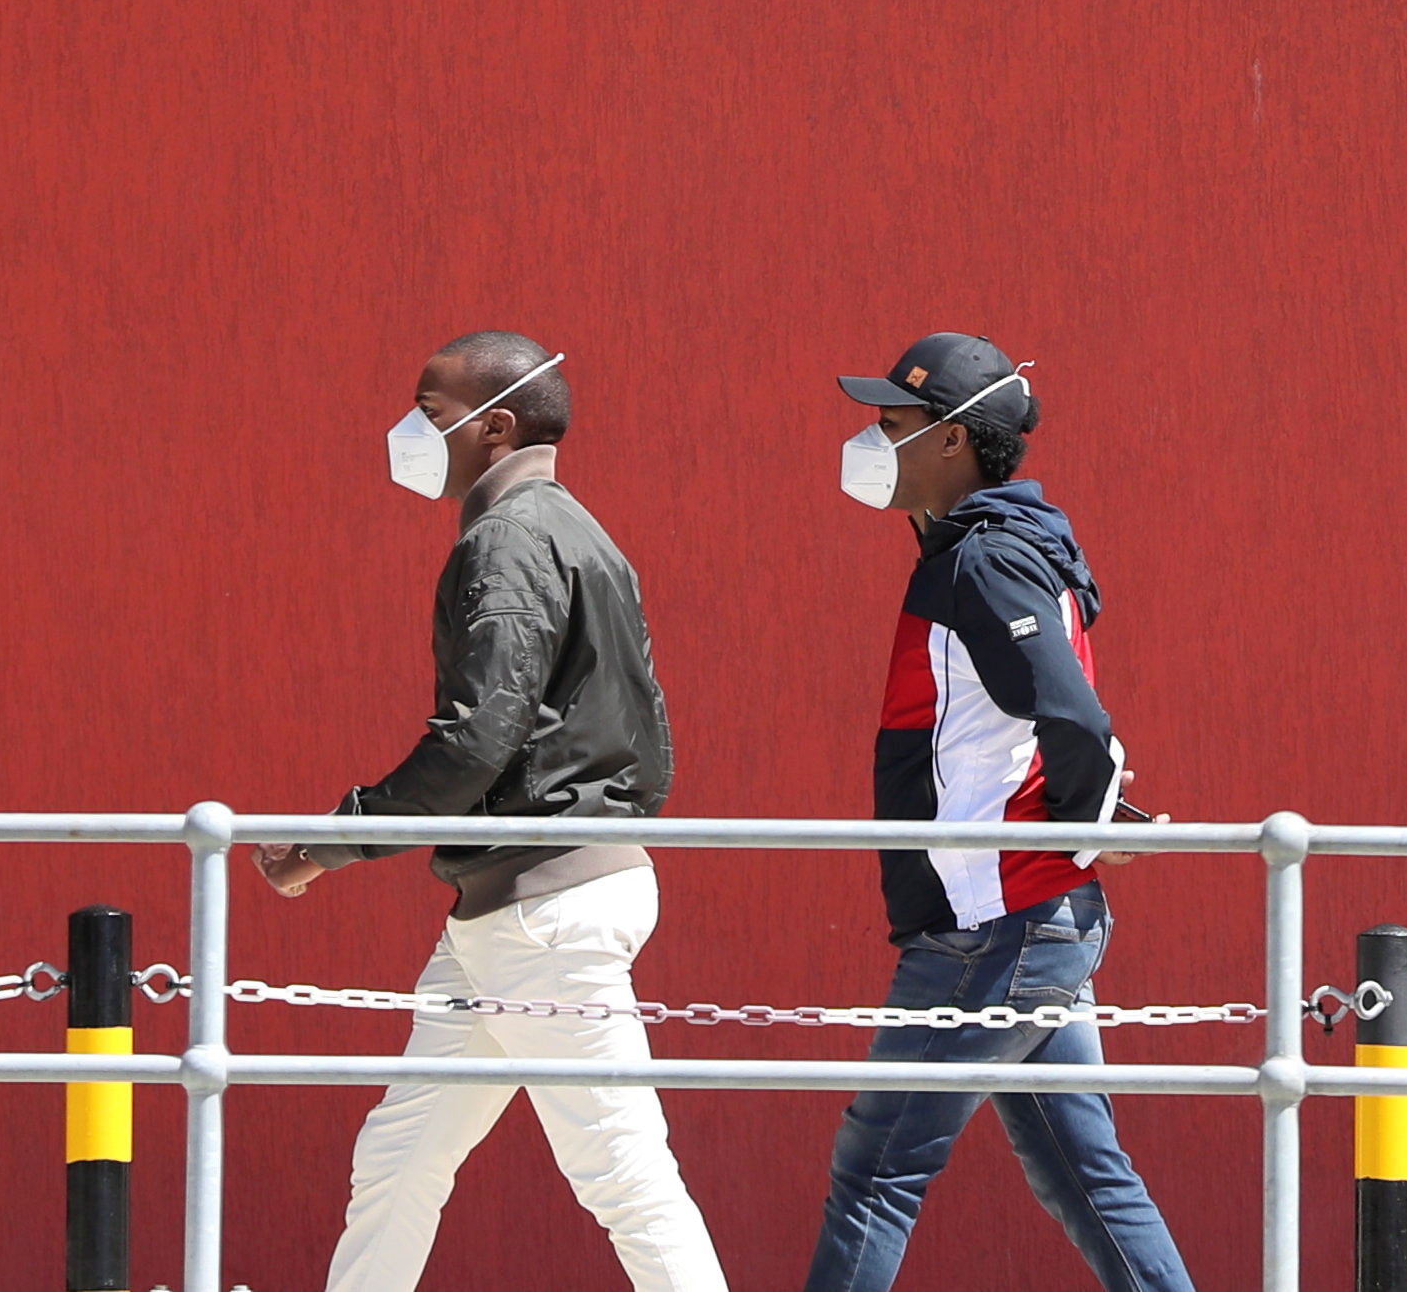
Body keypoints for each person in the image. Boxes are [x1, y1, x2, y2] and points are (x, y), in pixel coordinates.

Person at [253, 332, 727, 1292]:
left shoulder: (505, 543)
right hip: (523, 904)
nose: (410, 433)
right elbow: (648, 733)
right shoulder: (579, 531)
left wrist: (325, 843)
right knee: (400, 1157)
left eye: (429, 414)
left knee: (622, 1174)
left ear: (492, 426)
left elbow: (474, 743)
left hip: (537, 912)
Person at [801, 331, 1194, 1292]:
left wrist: (1091, 817)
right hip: (1030, 918)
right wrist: (1088, 819)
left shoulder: (982, 561)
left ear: (951, 442)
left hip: (995, 925)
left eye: (890, 423)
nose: (870, 439)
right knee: (1085, 1175)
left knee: (875, 1172)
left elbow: (1075, 720)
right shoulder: (996, 548)